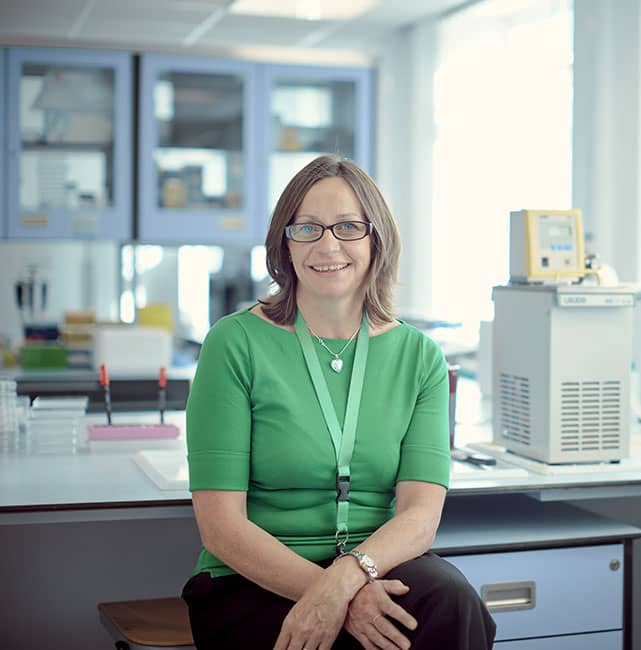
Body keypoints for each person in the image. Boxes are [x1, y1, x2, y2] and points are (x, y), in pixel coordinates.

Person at [181, 155, 496, 650]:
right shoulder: (234, 343)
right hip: (254, 578)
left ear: (377, 238)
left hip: (373, 566)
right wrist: (328, 596)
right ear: (284, 243)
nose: (328, 245)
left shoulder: (419, 357)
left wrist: (346, 581)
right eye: (307, 228)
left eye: (348, 227)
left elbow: (419, 515)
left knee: (452, 602)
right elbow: (221, 527)